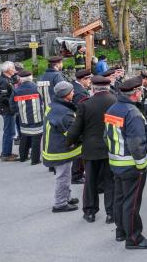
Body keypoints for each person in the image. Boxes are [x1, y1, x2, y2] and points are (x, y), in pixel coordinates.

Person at [104, 76, 147, 249]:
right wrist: (142, 166)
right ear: (135, 93)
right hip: (131, 165)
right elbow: (136, 144)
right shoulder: (133, 114)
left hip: (116, 162)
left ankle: (121, 231)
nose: (141, 93)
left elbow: (106, 137)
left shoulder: (112, 109)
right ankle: (134, 238)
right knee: (132, 202)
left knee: (119, 198)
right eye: (140, 91)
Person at [67, 75, 117, 224]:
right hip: (111, 148)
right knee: (110, 181)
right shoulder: (116, 101)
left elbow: (76, 128)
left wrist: (69, 141)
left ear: (93, 88)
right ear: (108, 87)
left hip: (91, 149)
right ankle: (111, 213)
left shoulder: (85, 104)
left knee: (90, 181)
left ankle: (90, 212)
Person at [42, 81, 82, 213]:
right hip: (60, 150)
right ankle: (60, 203)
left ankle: (66, 197)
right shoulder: (64, 112)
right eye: (71, 91)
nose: (73, 93)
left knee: (65, 174)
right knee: (63, 176)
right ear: (65, 95)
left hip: (52, 145)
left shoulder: (53, 105)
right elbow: (71, 134)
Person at [11, 70, 44, 164]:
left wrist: (19, 112)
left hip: (23, 118)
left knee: (24, 138)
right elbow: (43, 101)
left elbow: (12, 105)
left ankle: (23, 157)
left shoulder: (16, 90)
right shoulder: (37, 88)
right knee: (36, 139)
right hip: (37, 118)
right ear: (31, 77)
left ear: (20, 79)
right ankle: (35, 160)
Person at [0, 61, 19, 161]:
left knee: (10, 131)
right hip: (7, 110)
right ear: (7, 70)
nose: (14, 70)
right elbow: (3, 97)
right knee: (9, 132)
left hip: (8, 109)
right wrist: (14, 103)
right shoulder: (3, 81)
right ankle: (6, 154)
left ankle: (7, 152)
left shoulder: (8, 79)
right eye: (13, 68)